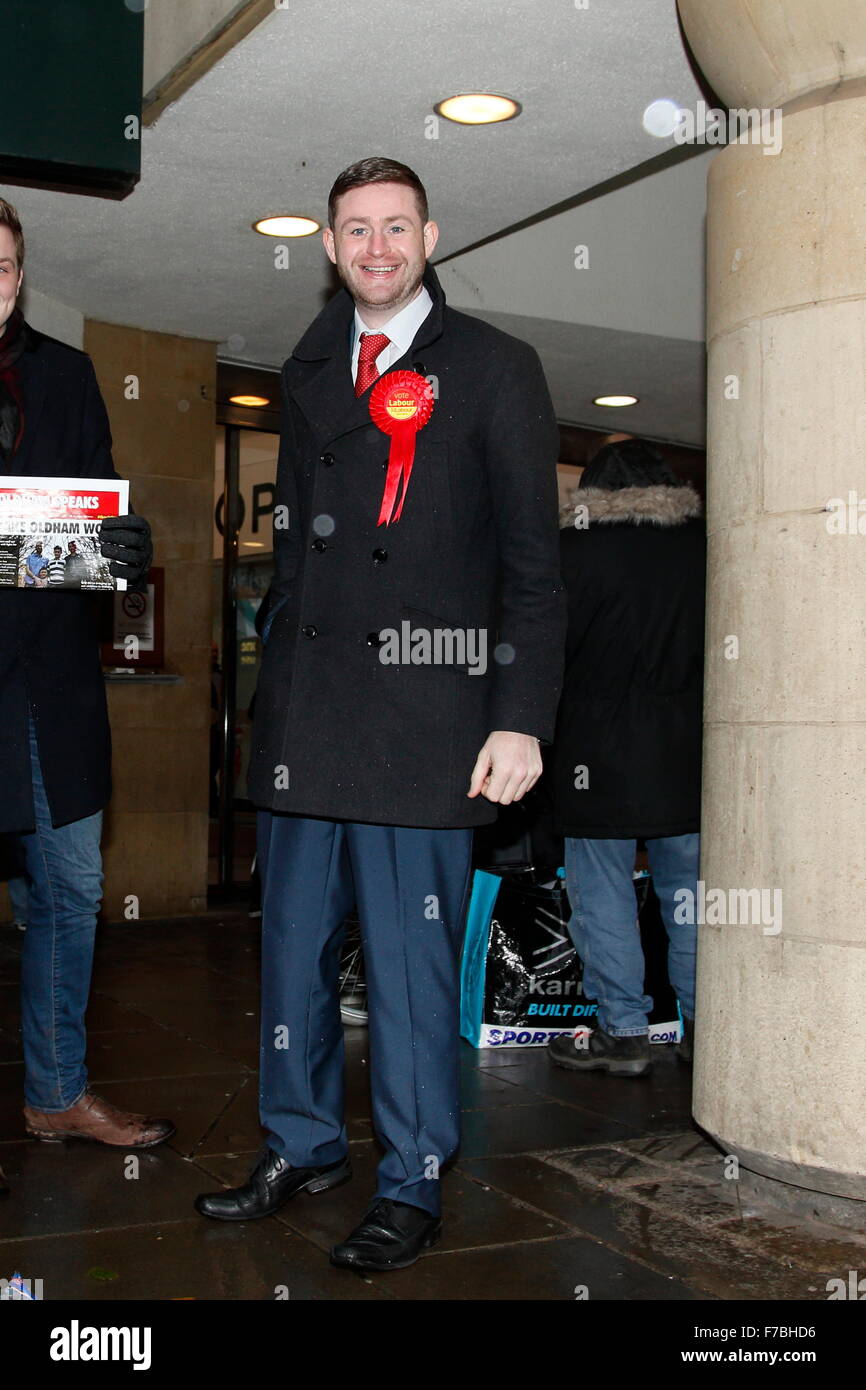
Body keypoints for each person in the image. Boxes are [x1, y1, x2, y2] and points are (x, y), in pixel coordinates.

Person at [195, 156, 565, 1270]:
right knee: (290, 954)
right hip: (310, 724)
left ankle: (412, 1176)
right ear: (327, 245)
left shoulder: (496, 370)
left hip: (427, 721)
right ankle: (301, 1143)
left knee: (406, 973)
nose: (375, 247)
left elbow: (533, 572)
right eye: (353, 229)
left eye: (394, 227)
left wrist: (519, 718)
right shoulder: (310, 367)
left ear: (430, 237)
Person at [0, 197, 173, 1199]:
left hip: (51, 689)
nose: (0, 283)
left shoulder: (65, 374)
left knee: (68, 892)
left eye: (9, 266)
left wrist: (123, 549)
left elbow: (95, 507)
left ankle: (57, 1090)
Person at [548, 438, 706, 1078]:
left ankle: (623, 1032)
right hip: (686, 753)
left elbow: (545, 651)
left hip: (595, 752)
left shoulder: (572, 551)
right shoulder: (704, 550)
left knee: (602, 891)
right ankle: (704, 1029)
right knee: (690, 896)